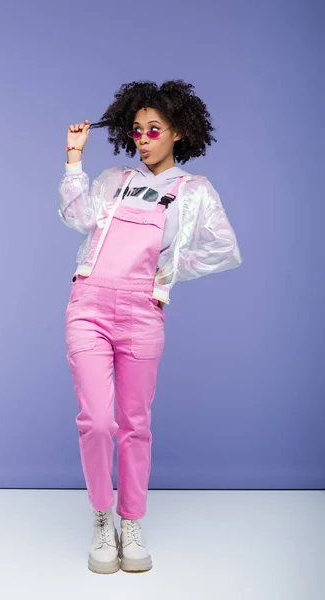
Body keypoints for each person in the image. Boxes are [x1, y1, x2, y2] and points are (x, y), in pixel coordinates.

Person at [58, 80, 243, 575]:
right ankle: (102, 517)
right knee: (96, 421)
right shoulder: (114, 178)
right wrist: (75, 160)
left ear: (178, 132)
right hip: (89, 306)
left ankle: (131, 520)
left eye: (153, 129)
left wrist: (167, 269)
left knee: (135, 425)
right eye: (136, 130)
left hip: (143, 313)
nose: (143, 138)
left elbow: (225, 249)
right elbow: (76, 217)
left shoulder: (194, 191)